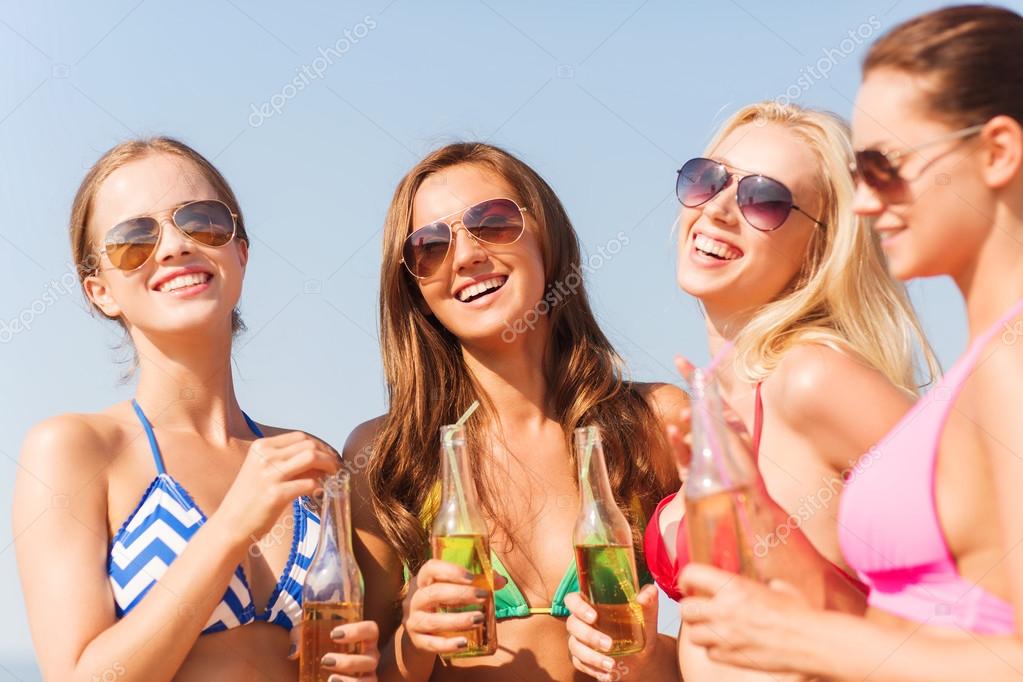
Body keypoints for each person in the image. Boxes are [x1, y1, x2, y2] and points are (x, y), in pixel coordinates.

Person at [680, 6, 1023, 680]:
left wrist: (802, 641)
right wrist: (754, 513)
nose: (862, 203)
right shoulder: (980, 363)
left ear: (996, 153)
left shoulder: (1010, 360)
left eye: (883, 166)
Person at [13, 137, 378, 681]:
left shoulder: (307, 460)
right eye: (133, 239)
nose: (174, 247)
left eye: (202, 222)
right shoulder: (74, 450)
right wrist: (232, 524)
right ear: (100, 291)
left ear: (241, 254)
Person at [346, 141, 686, 680]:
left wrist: (646, 656)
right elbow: (352, 673)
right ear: (413, 285)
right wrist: (414, 642)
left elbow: (731, 651)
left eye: (493, 222)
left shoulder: (654, 424)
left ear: (547, 234)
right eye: (429, 245)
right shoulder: (385, 455)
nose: (465, 256)